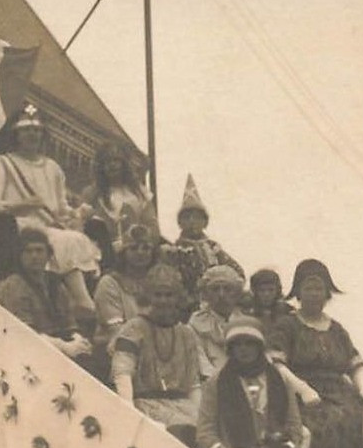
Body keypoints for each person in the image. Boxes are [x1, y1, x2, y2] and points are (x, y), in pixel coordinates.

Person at [0, 103, 100, 315]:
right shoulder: (3, 163)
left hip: (48, 226)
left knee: (75, 238)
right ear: (16, 134)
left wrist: (78, 213)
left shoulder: (53, 168)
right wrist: (17, 206)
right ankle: (82, 301)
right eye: (26, 130)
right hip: (19, 227)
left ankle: (79, 301)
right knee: (66, 240)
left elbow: (60, 209)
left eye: (36, 130)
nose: (31, 135)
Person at [267, 258, 363, 448]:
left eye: (319, 288)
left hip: (340, 391)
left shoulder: (337, 329)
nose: (314, 294)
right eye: (308, 288)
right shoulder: (287, 325)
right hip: (301, 393)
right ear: (298, 292)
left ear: (327, 293)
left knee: (362, 419)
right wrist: (303, 390)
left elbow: (355, 364)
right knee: (322, 425)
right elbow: (277, 364)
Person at [196, 318, 310, 448]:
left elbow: (294, 427)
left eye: (250, 343)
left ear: (260, 347)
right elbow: (204, 434)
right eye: (238, 345)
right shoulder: (216, 383)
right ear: (230, 349)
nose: (244, 350)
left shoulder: (279, 380)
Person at [111, 264, 206, 444]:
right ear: (149, 297)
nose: (163, 301)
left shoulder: (186, 333)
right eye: (158, 295)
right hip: (147, 404)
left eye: (169, 295)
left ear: (177, 298)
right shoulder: (135, 328)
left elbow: (193, 384)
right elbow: (122, 371)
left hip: (182, 406)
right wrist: (128, 411)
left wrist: (202, 418)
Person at [0, 229, 95, 366]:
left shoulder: (54, 282)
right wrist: (65, 347)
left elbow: (69, 321)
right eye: (28, 251)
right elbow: (25, 332)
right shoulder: (13, 285)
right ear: (20, 255)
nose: (34, 256)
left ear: (48, 255)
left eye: (39, 250)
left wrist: (77, 340)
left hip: (58, 345)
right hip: (30, 350)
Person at [168, 174, 242, 303]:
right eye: (187, 217)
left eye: (197, 217)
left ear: (205, 222)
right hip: (187, 306)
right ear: (180, 222)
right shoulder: (173, 250)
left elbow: (238, 273)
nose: (192, 222)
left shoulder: (214, 248)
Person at [82, 142, 157, 259]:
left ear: (124, 164)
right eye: (107, 162)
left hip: (135, 252)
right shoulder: (91, 193)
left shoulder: (140, 194)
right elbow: (83, 224)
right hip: (100, 253)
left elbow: (152, 227)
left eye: (116, 160)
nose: (112, 165)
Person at [188, 265, 245, 377]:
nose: (221, 295)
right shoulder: (195, 325)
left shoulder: (245, 324)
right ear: (206, 294)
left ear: (237, 294)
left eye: (227, 289)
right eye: (215, 289)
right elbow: (202, 364)